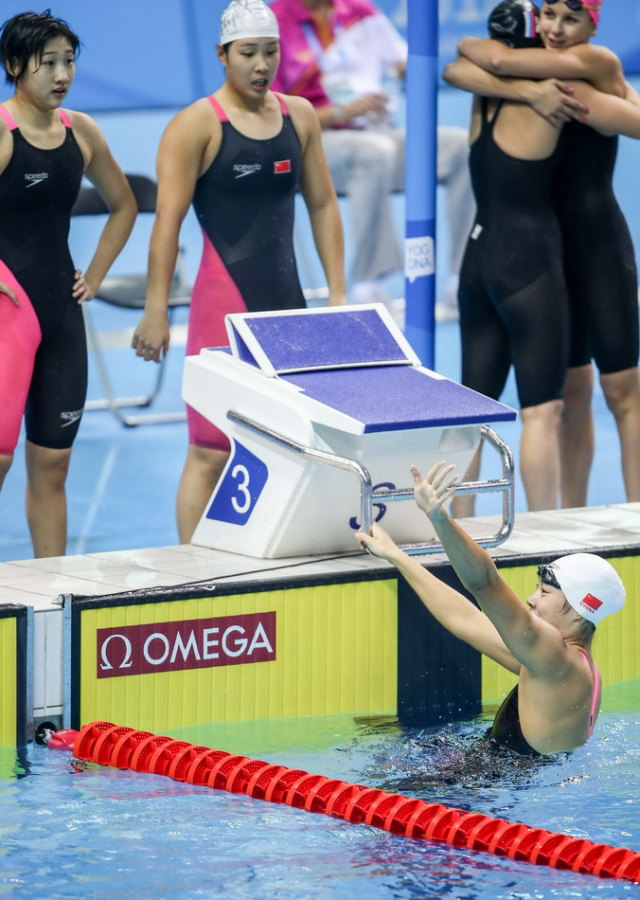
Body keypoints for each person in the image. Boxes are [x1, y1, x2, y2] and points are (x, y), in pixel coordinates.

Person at [132, 0, 347, 543]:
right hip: (219, 309)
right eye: (248, 53)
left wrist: (339, 292)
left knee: (290, 446)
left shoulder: (300, 115)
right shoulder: (195, 125)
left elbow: (322, 205)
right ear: (222, 55)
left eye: (270, 51)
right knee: (209, 452)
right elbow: (166, 226)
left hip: (288, 310)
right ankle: (191, 573)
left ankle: (261, 557)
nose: (261, 64)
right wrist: (156, 312)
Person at [442, 0, 640, 512]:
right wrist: (526, 90)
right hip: (544, 255)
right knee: (572, 389)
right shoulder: (544, 86)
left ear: (593, 24)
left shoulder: (588, 72)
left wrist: (509, 74)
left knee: (621, 391)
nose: (556, 29)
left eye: (570, 19)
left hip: (594, 246)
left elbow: (477, 59)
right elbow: (468, 60)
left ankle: (637, 517)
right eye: (548, 16)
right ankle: (570, 518)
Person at [356, 460, 626, 756]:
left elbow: (485, 583)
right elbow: (466, 620)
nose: (531, 599)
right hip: (507, 787)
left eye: (545, 592)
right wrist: (396, 555)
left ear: (577, 610)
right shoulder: (563, 667)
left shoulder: (555, 657)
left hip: (495, 792)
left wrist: (438, 516)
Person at [0, 11, 136, 558]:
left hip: (62, 311)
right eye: (48, 63)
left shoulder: (81, 132)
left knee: (53, 461)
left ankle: (51, 594)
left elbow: (123, 205)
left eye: (69, 62)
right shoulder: (4, 135)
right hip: (11, 313)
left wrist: (97, 274)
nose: (62, 74)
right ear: (13, 67)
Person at [269, 0, 476, 317]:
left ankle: (463, 277)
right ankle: (369, 282)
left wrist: (411, 69)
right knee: (373, 153)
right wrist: (342, 111)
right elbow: (274, 114)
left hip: (380, 133)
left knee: (460, 148)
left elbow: (404, 61)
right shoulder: (276, 21)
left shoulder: (361, 12)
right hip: (316, 143)